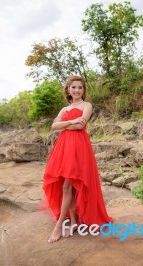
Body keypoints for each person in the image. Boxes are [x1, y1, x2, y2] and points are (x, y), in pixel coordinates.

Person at [41, 75, 113, 243]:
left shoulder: (87, 105)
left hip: (79, 146)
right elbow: (53, 127)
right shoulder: (64, 109)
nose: (77, 90)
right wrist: (72, 121)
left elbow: (81, 125)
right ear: (68, 90)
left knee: (69, 184)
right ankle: (73, 221)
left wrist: (64, 124)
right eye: (73, 87)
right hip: (64, 147)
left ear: (83, 90)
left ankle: (59, 226)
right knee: (68, 185)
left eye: (80, 87)